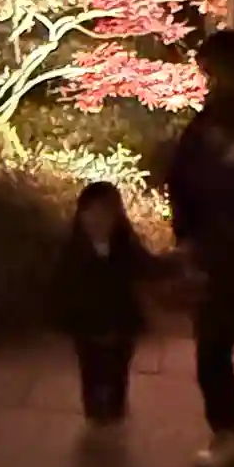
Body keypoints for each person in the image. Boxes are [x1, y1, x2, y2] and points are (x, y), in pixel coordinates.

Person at [166, 29, 234, 467]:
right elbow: (182, 179)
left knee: (216, 345)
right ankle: (229, 434)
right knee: (213, 346)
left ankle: (233, 434)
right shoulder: (210, 124)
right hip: (222, 248)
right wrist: (188, 236)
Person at [55, 182, 151, 424]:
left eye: (105, 213)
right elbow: (61, 284)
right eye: (91, 212)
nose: (98, 220)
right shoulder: (73, 249)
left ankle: (115, 409)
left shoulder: (125, 246)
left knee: (118, 370)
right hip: (88, 325)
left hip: (121, 322)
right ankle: (96, 412)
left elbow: (147, 266)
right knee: (91, 370)